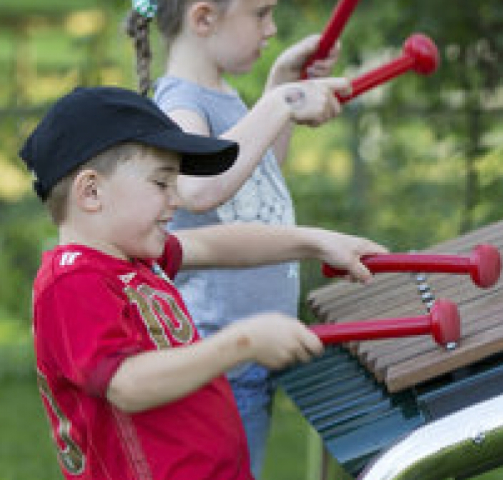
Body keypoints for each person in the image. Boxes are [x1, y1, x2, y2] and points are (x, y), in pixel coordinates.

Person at [21, 86, 385, 480]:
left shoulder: (130, 259)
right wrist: (242, 342)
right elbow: (126, 384)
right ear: (91, 192)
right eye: (161, 184)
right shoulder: (73, 280)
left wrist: (316, 243)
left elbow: (216, 243)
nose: (175, 200)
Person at [125, 0, 352, 473]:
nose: (271, 29)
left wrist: (279, 85)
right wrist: (279, 104)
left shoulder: (219, 93)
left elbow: (252, 182)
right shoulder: (180, 103)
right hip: (221, 357)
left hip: (252, 352)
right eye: (260, 13)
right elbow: (200, 186)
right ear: (204, 18)